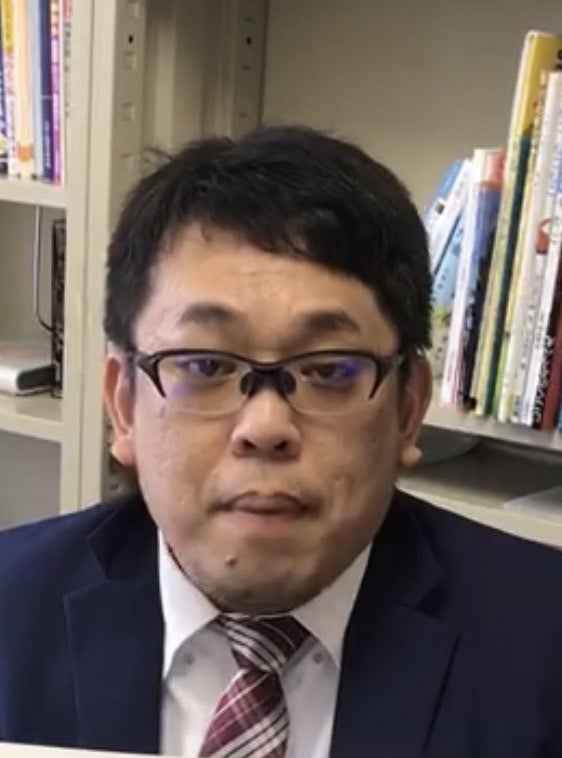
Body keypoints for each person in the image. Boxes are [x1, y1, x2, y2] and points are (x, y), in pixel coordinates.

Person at [0, 125, 560, 758]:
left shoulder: (545, 649)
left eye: (330, 370)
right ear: (123, 407)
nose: (265, 427)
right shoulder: (9, 617)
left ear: (408, 408)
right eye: (205, 365)